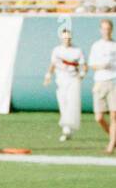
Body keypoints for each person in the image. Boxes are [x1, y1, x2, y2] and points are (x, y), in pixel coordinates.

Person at [44, 26, 85, 142]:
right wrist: (48, 76)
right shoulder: (57, 50)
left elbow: (83, 66)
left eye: (68, 37)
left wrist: (81, 75)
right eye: (64, 38)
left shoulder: (77, 50)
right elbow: (53, 65)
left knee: (72, 104)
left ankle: (68, 130)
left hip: (73, 80)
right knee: (63, 104)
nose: (66, 40)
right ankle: (66, 129)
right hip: (61, 80)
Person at [87, 18, 116, 154]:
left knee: (113, 115)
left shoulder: (114, 45)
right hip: (99, 81)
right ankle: (113, 137)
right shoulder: (96, 46)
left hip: (113, 81)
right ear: (100, 30)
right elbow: (91, 64)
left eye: (108, 28)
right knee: (98, 117)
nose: (106, 31)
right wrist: (101, 66)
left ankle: (111, 144)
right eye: (104, 29)